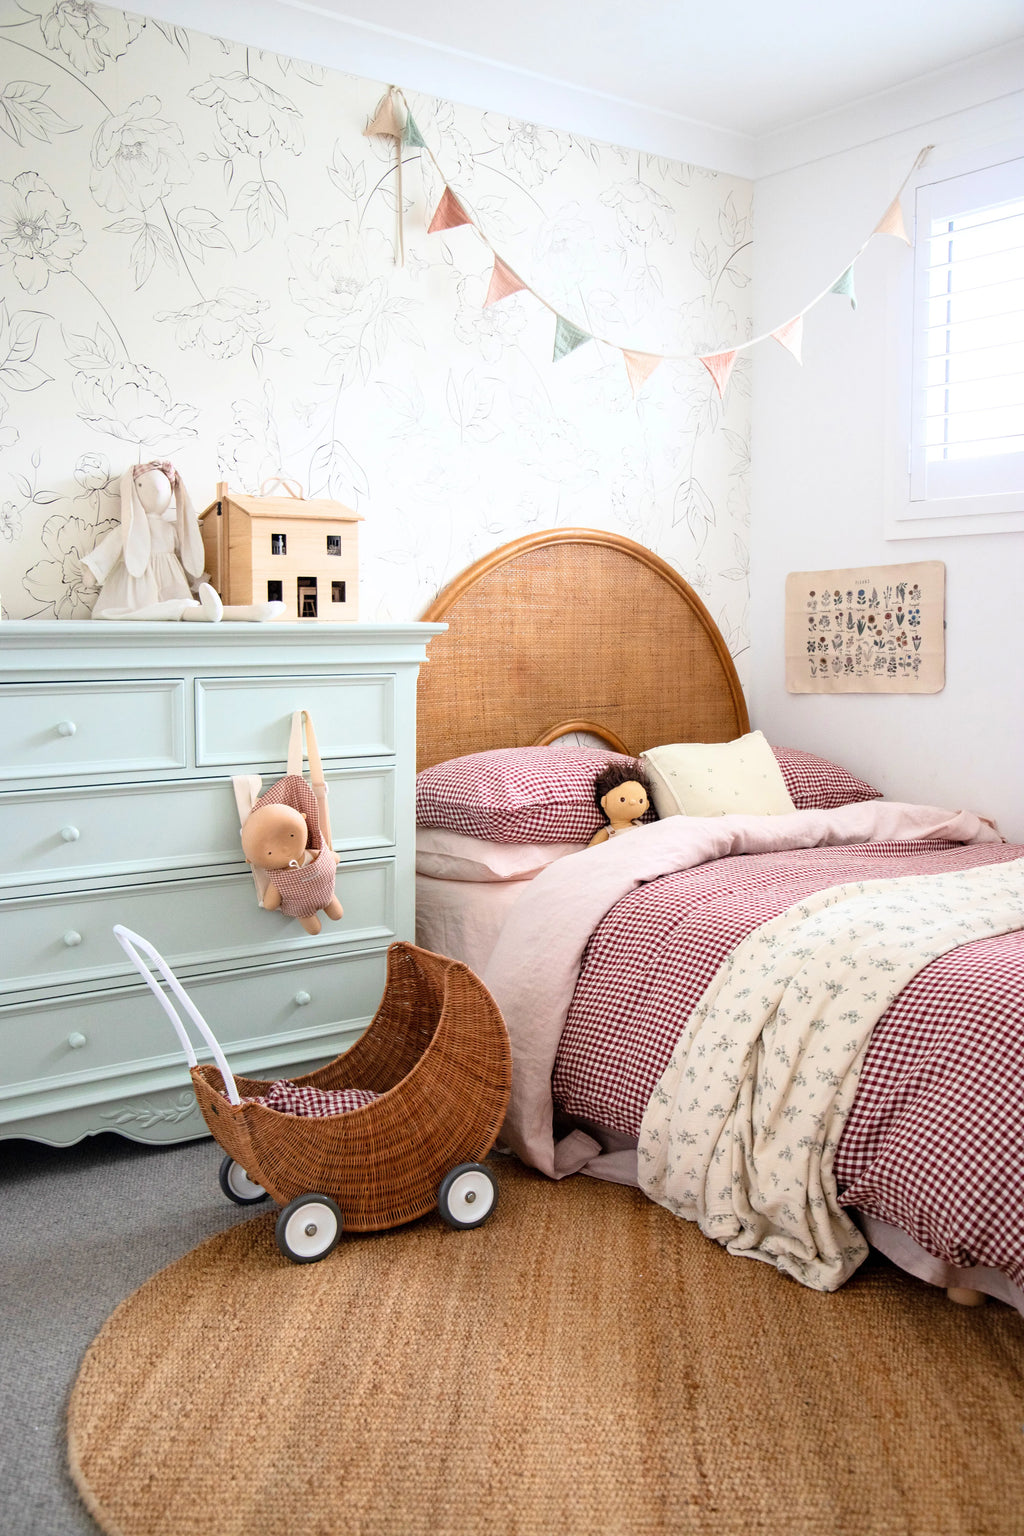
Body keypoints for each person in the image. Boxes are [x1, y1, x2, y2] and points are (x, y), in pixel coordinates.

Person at [84, 462, 283, 621]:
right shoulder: (126, 532)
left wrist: (197, 580)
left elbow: (185, 554)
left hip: (172, 589)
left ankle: (249, 613)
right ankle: (229, 614)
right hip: (134, 598)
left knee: (183, 607)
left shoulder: (171, 530)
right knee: (181, 609)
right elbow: (106, 554)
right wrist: (92, 572)